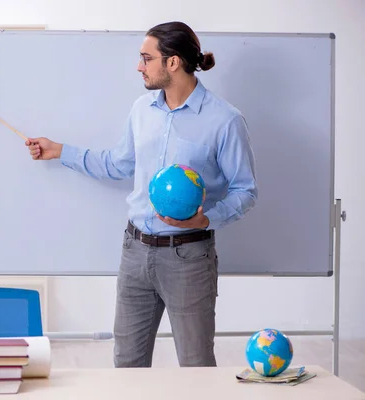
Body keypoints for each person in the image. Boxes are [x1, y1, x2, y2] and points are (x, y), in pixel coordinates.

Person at [25, 21, 258, 368]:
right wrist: (59, 150)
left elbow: (245, 190)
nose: (139, 66)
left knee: (196, 368)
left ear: (173, 62)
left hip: (188, 258)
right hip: (134, 253)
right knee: (127, 365)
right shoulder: (141, 110)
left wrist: (207, 218)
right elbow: (118, 164)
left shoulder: (224, 120)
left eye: (146, 58)